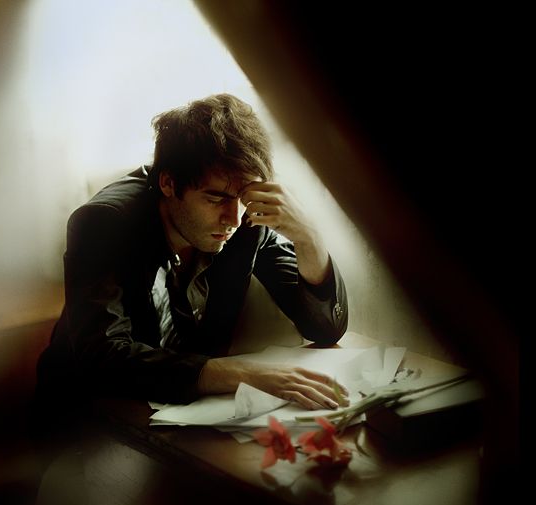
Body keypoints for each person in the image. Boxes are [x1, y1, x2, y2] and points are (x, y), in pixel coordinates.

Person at [33, 93, 349, 440]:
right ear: (168, 183)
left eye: (242, 199)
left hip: (186, 417)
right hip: (88, 418)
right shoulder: (104, 223)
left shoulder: (247, 221)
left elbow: (325, 328)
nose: (233, 218)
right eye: (215, 199)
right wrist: (241, 373)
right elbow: (102, 358)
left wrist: (308, 236)